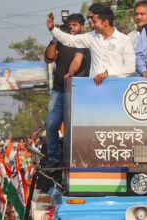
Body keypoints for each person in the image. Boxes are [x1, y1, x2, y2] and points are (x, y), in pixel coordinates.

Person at [47, 4, 135, 86]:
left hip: (115, 87)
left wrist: (107, 73)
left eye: (94, 20)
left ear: (106, 22)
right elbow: (70, 40)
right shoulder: (91, 37)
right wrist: (52, 29)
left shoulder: (124, 40)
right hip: (94, 88)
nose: (91, 22)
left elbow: (130, 68)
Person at [44, 13, 90, 166]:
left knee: (75, 129)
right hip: (59, 90)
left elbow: (78, 60)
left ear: (82, 26)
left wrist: (71, 73)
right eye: (70, 25)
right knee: (51, 124)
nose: (72, 27)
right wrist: (55, 38)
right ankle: (53, 159)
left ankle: (75, 158)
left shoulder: (85, 41)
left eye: (75, 25)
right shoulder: (62, 40)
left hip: (79, 93)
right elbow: (48, 58)